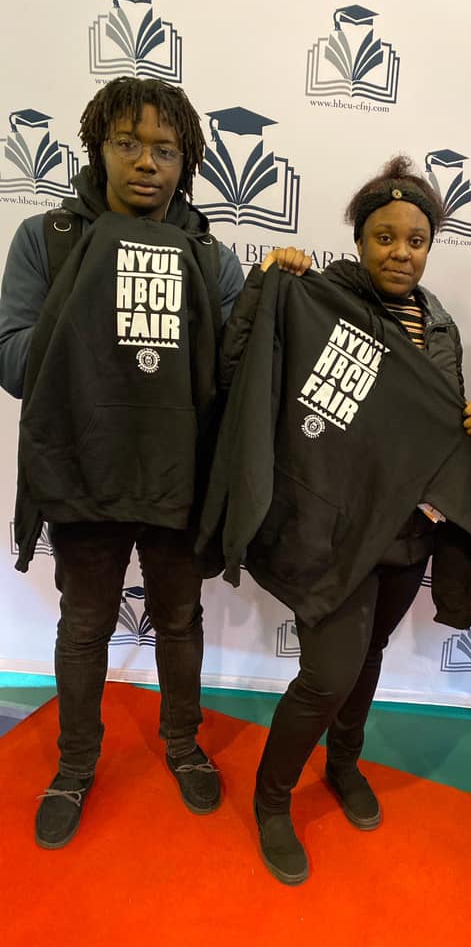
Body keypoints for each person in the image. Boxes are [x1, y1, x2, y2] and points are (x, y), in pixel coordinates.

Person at [216, 156, 471, 884]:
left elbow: (439, 428)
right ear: (359, 239)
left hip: (406, 532)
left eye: (417, 239)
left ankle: (342, 765)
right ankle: (273, 801)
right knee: (328, 672)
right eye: (384, 236)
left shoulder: (442, 326)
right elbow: (240, 367)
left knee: (365, 661)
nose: (401, 251)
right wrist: (267, 288)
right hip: (327, 527)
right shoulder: (317, 298)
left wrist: (469, 423)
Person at [0, 77, 244, 849]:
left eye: (165, 149)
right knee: (85, 626)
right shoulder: (49, 240)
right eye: (127, 143)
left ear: (188, 160)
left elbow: (240, 374)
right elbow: (11, 359)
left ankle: (182, 744)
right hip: (83, 472)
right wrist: (91, 306)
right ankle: (75, 765)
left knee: (179, 620)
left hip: (180, 478)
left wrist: (285, 299)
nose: (147, 163)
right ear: (97, 146)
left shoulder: (212, 255)